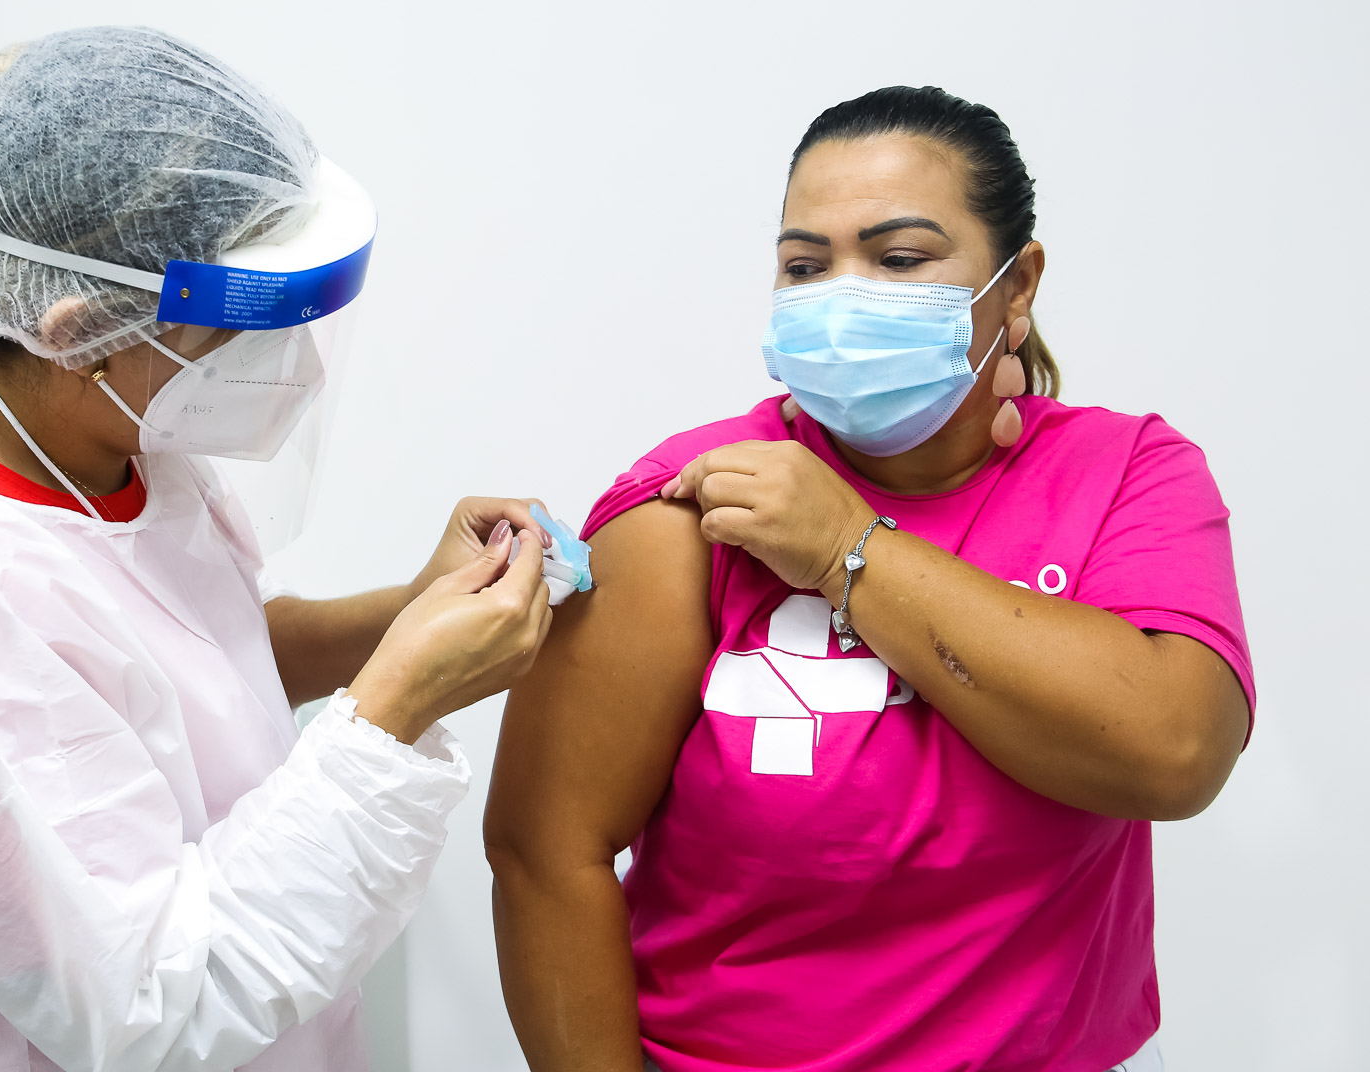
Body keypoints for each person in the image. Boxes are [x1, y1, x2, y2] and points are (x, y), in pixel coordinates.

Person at [0, 27, 556, 1072]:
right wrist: (395, 707)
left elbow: (191, 660)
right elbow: (148, 1012)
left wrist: (407, 611)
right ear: (81, 329)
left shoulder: (108, 434)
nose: (292, 368)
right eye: (246, 332)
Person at [486, 85, 1254, 1072]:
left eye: (898, 259)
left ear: (1016, 287)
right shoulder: (687, 510)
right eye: (806, 267)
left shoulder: (1126, 476)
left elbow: (1175, 750)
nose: (841, 297)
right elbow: (545, 852)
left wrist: (850, 547)